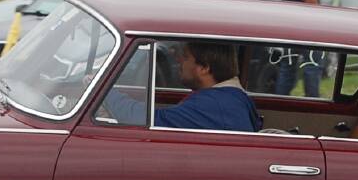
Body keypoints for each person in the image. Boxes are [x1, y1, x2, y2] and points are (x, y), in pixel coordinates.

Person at [107, 41, 262, 132]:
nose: (179, 61)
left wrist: (107, 94)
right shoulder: (231, 97)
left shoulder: (212, 105)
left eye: (186, 57)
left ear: (204, 68)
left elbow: (142, 119)